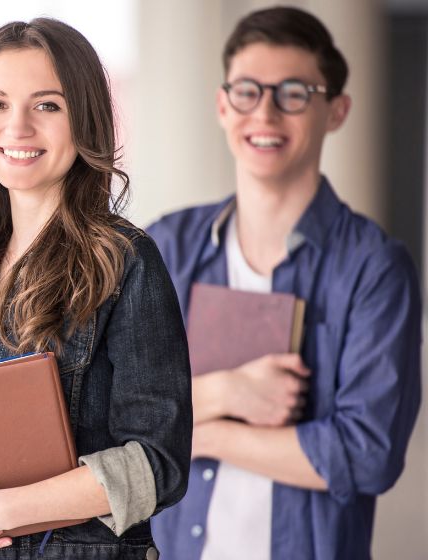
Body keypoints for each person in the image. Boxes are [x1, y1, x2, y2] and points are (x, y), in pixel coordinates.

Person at [0, 18, 192, 559]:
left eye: (47, 105)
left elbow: (156, 462)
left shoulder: (123, 260)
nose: (18, 127)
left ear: (85, 120)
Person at [147, 7, 422, 560]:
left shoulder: (374, 268)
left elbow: (367, 454)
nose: (265, 112)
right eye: (247, 91)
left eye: (293, 93)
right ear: (223, 106)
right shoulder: (166, 247)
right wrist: (226, 394)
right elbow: (108, 409)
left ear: (336, 111)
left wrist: (200, 433)